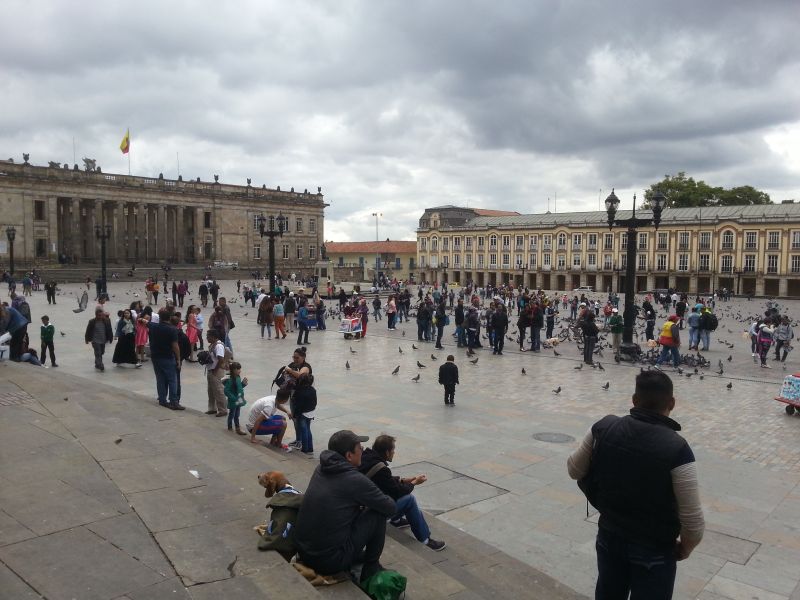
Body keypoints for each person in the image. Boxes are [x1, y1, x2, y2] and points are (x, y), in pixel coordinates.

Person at [567, 370, 704, 599]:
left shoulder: (604, 427)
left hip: (610, 534)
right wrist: (686, 547)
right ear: (672, 403)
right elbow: (693, 519)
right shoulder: (677, 449)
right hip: (654, 547)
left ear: (634, 400)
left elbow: (574, 469)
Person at [294, 430, 397, 583]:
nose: (363, 451)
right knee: (377, 513)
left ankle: (358, 557)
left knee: (361, 509)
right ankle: (371, 569)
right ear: (349, 456)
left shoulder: (321, 468)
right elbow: (390, 507)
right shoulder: (354, 480)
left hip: (305, 551)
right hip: (329, 561)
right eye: (360, 448)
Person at [359, 435, 446, 551]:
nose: (394, 452)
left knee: (398, 497)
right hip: (371, 513)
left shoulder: (366, 457)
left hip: (364, 505)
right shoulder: (381, 468)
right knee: (409, 499)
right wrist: (414, 483)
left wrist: (403, 480)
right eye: (393, 450)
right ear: (387, 452)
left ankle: (396, 520)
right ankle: (425, 539)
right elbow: (398, 492)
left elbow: (384, 481)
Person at [148, 308, 184, 410]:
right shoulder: (172, 329)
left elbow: (146, 322)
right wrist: (178, 359)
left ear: (159, 318)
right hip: (167, 356)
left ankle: (162, 400)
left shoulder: (154, 326)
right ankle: (174, 401)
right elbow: (175, 346)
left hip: (155, 356)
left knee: (160, 379)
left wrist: (143, 320)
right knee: (172, 380)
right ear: (169, 318)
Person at [204, 329, 230, 417]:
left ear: (214, 337)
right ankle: (212, 408)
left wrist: (215, 370)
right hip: (211, 370)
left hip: (216, 371)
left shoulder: (218, 346)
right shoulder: (212, 344)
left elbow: (221, 359)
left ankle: (223, 410)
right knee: (211, 391)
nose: (207, 338)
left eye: (208, 336)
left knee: (218, 391)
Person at [223, 361, 248, 434]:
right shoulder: (231, 380)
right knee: (232, 414)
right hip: (234, 400)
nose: (240, 371)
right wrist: (233, 398)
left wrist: (243, 384)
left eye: (240, 369)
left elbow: (238, 387)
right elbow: (226, 390)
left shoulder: (238, 377)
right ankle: (232, 427)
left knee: (237, 414)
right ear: (234, 370)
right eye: (238, 369)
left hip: (238, 399)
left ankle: (236, 428)